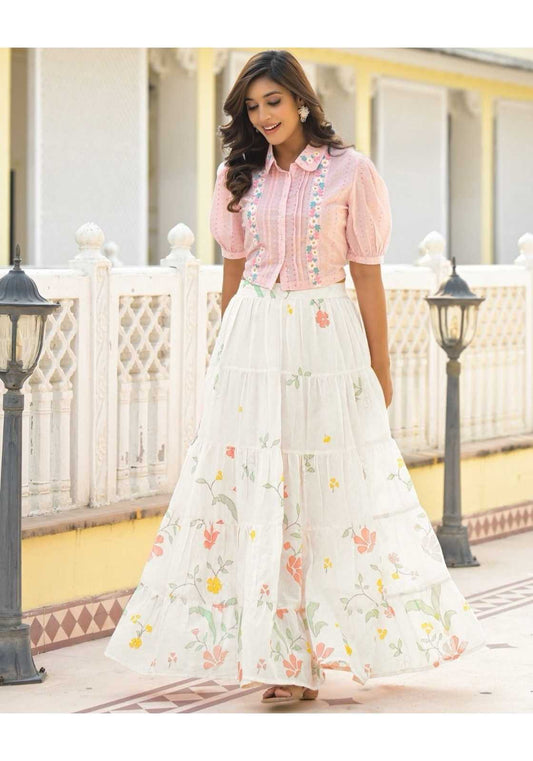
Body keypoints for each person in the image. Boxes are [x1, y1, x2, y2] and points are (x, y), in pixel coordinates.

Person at [104, 49, 488, 705]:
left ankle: (318, 645)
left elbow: (365, 272)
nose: (262, 116)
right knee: (258, 495)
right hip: (253, 340)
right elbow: (233, 267)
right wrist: (228, 352)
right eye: (251, 107)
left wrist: (378, 366)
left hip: (324, 339)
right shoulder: (238, 173)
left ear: (301, 100)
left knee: (323, 495)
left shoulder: (349, 172)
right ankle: (282, 656)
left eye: (272, 102)